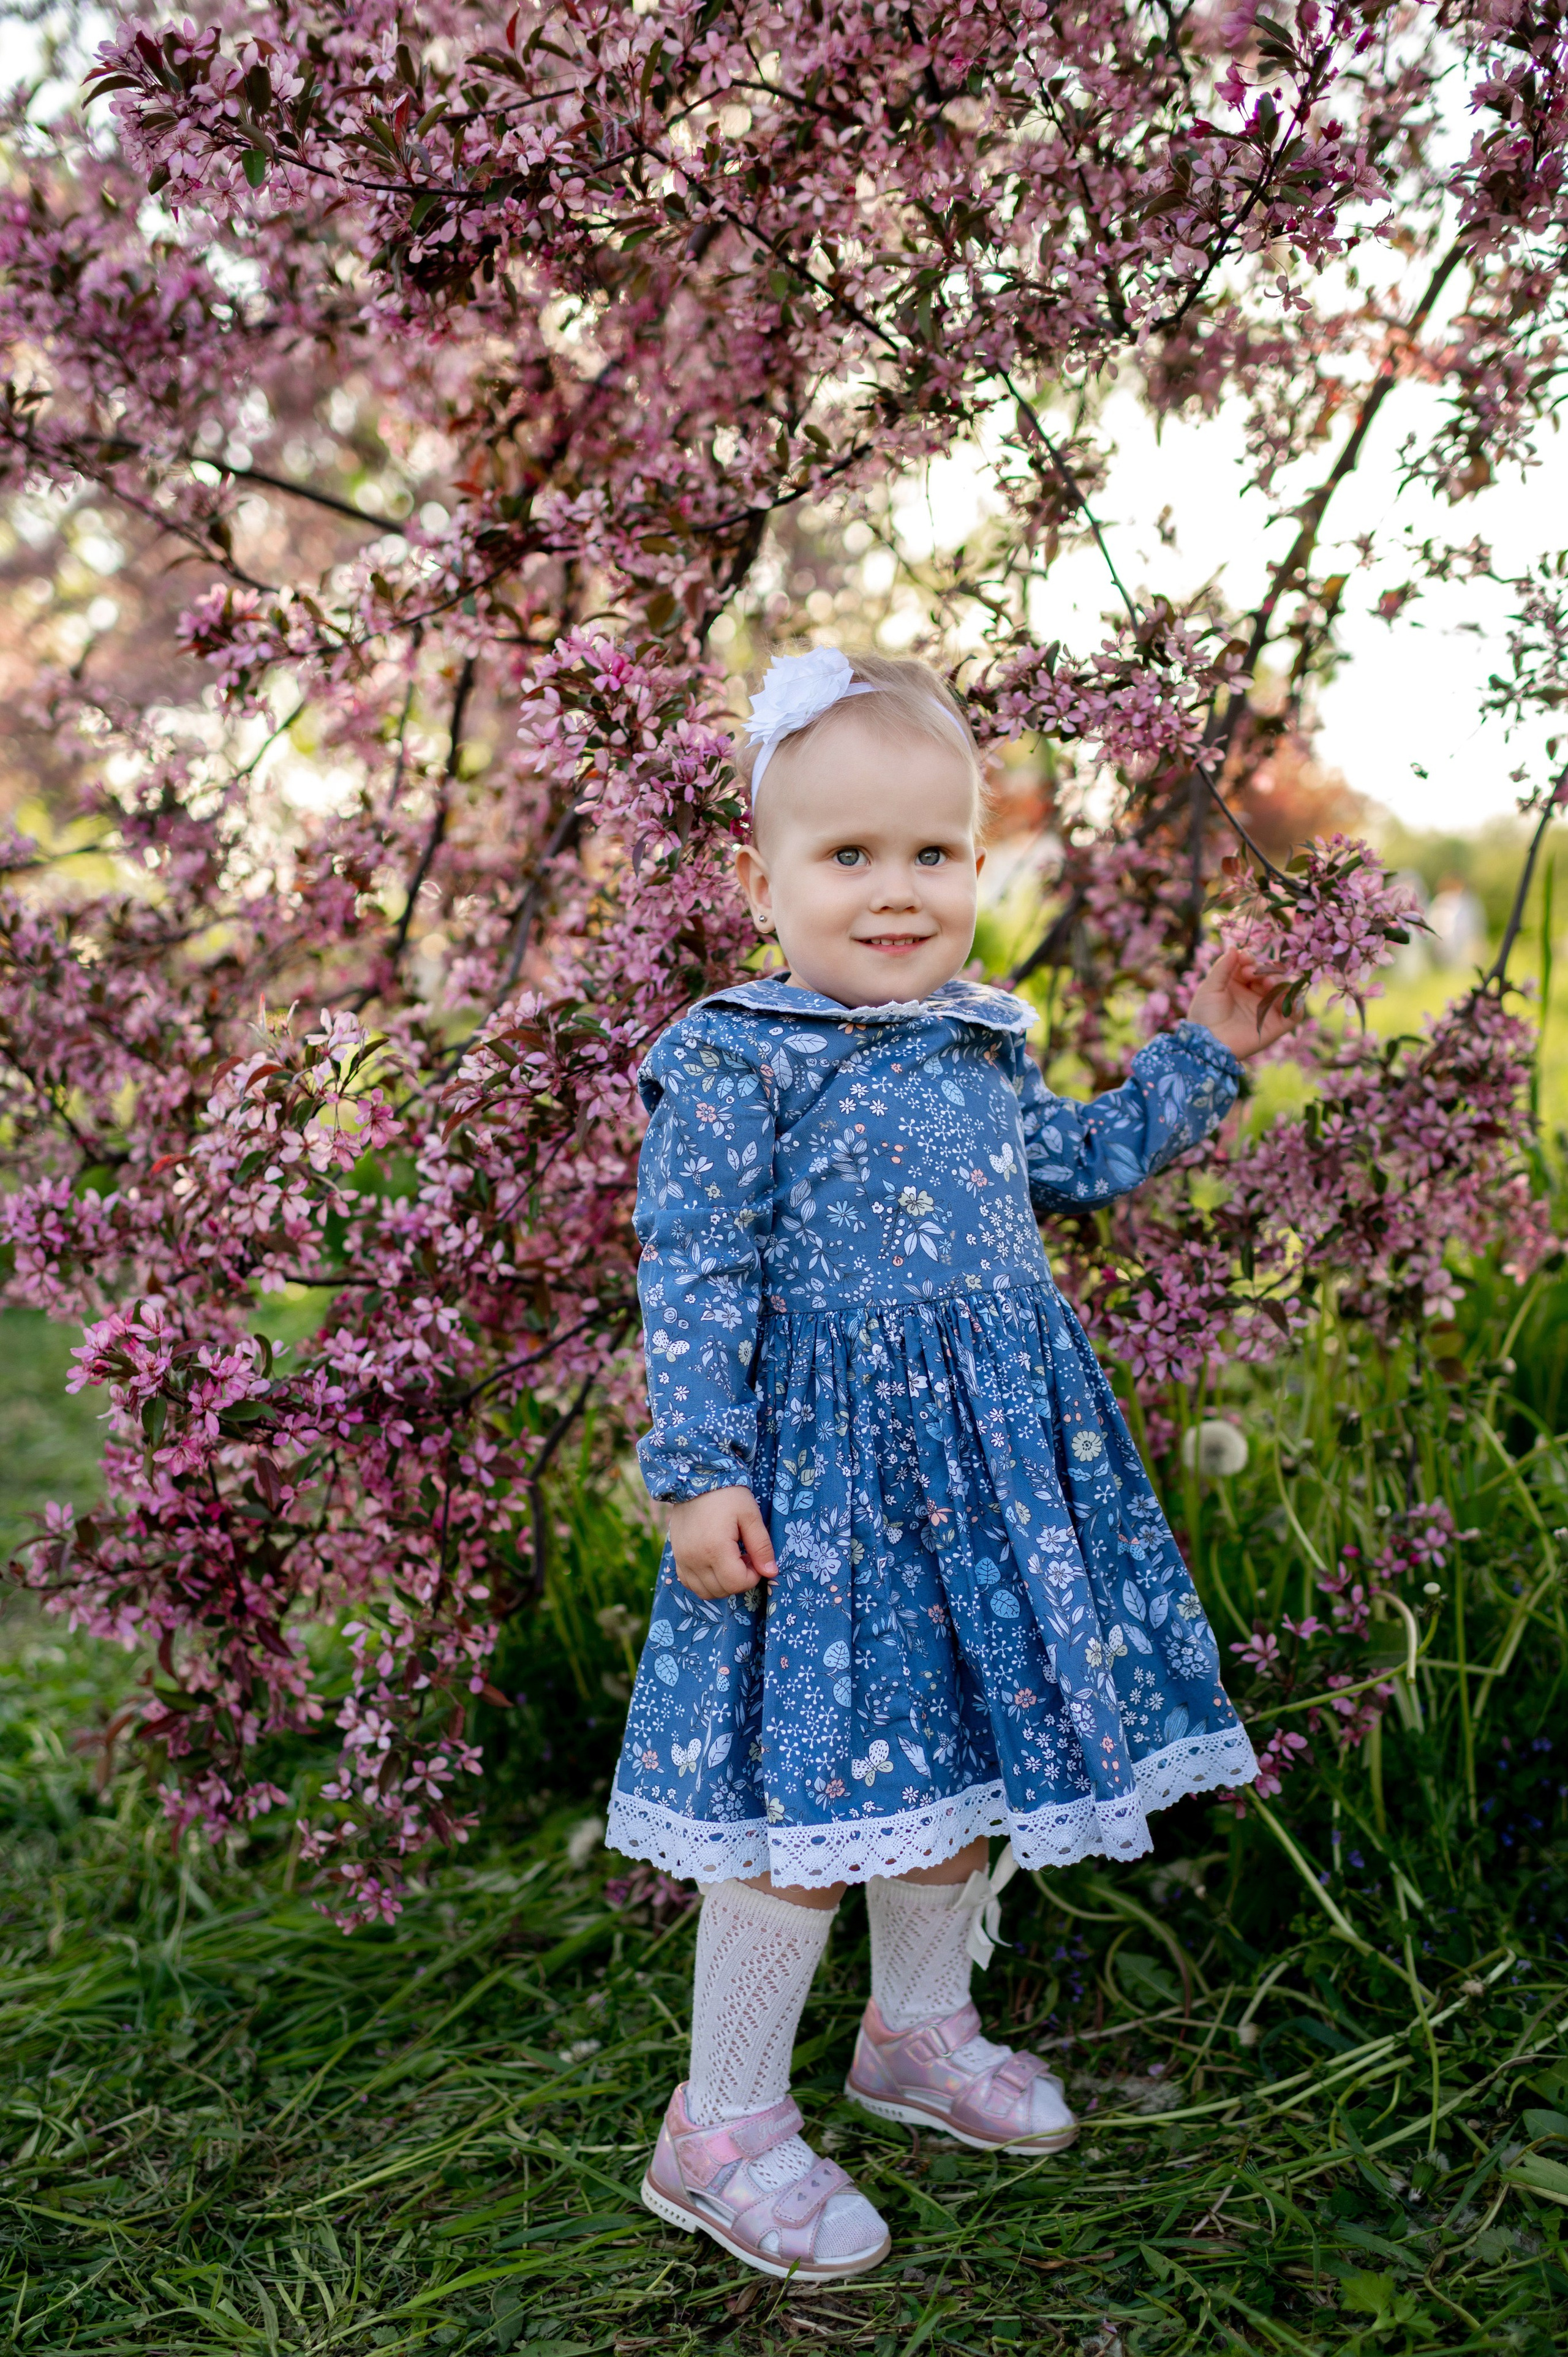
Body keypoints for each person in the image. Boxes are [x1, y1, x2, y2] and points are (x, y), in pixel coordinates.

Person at [608, 647, 1291, 2281]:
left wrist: (1203, 1054)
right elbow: (689, 1263)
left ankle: (915, 2034)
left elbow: (1080, 1159)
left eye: (931, 855)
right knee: (807, 1799)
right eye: (848, 857)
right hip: (822, 1496)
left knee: (953, 1767)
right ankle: (720, 2125)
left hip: (986, 1480)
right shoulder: (736, 1051)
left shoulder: (980, 1039)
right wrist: (695, 1472)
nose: (895, 893)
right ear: (762, 877)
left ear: (976, 868)